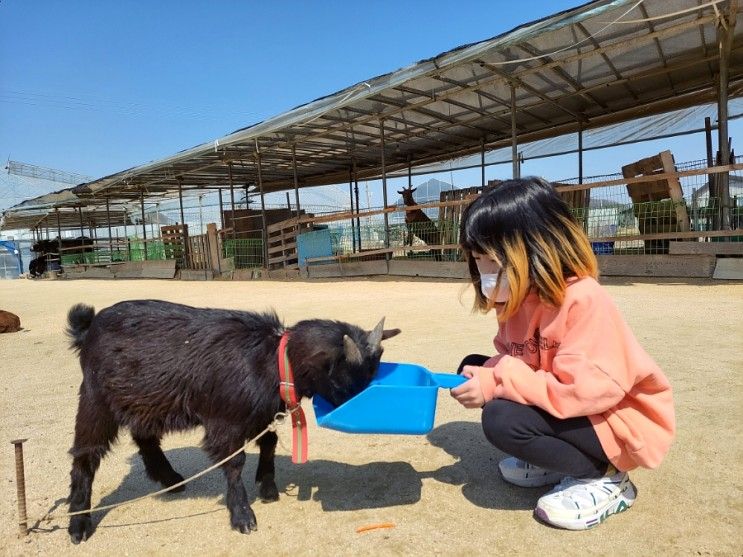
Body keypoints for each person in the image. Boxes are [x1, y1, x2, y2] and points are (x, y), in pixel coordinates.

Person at [450, 177, 675, 530]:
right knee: (475, 367)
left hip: (617, 421)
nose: (485, 275)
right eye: (478, 261)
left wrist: (498, 381)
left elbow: (583, 392)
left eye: (493, 261)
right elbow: (519, 361)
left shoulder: (584, 300)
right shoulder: (516, 299)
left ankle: (606, 476)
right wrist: (487, 372)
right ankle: (558, 458)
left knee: (501, 419)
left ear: (538, 248)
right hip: (576, 407)